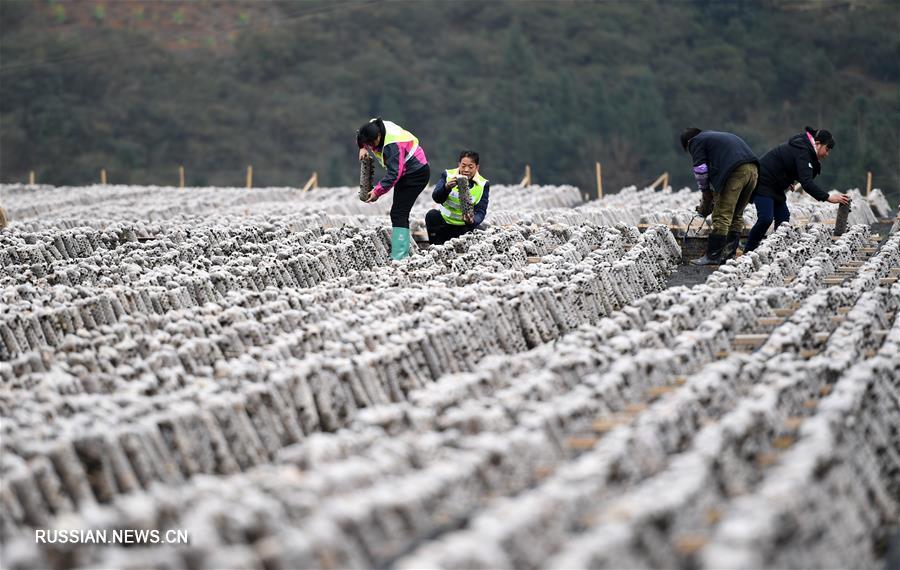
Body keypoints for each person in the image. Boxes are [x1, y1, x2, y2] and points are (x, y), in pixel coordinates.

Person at [743, 127, 850, 253]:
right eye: (827, 149)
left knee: (783, 218)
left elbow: (788, 165)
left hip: (776, 186)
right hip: (763, 182)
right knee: (766, 218)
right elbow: (807, 183)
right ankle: (749, 250)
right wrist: (828, 197)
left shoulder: (805, 150)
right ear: (818, 144)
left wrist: (788, 180)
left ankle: (775, 249)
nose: (827, 154)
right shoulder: (804, 151)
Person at [681, 127, 759, 265]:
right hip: (753, 170)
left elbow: (700, 169)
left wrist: (705, 191)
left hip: (736, 172)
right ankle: (729, 255)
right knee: (736, 214)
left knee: (721, 215)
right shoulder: (714, 138)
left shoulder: (696, 141)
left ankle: (713, 256)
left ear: (688, 143)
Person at [357, 117, 430, 260]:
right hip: (405, 173)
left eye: (372, 143)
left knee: (398, 212)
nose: (371, 147)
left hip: (416, 173)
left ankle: (400, 256)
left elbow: (395, 173)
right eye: (368, 144)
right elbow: (359, 134)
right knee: (398, 213)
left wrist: (378, 191)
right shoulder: (373, 126)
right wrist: (362, 148)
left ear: (379, 136)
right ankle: (401, 253)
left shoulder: (392, 145)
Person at [425, 150, 490, 245]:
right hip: (445, 224)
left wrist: (472, 220)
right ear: (459, 164)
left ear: (477, 167)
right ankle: (436, 246)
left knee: (481, 232)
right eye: (463, 166)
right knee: (432, 215)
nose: (466, 170)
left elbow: (481, 211)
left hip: (464, 226)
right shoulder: (447, 175)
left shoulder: (483, 184)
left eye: (470, 167)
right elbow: (436, 198)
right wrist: (446, 187)